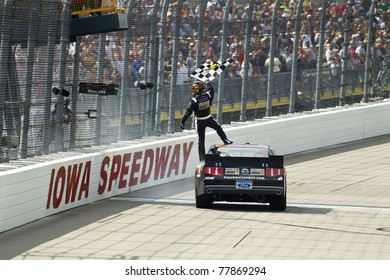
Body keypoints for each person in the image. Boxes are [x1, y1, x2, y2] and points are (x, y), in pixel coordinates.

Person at [181, 81, 233, 162]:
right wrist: (207, 82)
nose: (193, 91)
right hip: (209, 118)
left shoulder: (194, 101)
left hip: (200, 121)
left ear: (197, 90)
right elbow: (211, 89)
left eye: (194, 89)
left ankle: (202, 159)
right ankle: (225, 139)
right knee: (218, 128)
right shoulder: (208, 96)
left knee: (201, 141)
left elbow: (188, 112)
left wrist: (183, 122)